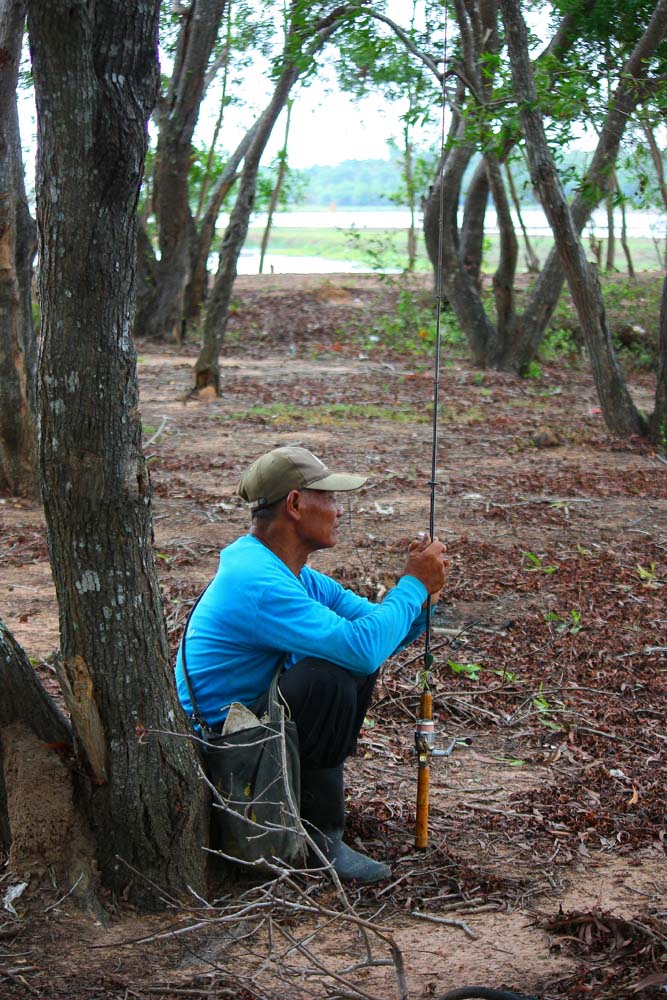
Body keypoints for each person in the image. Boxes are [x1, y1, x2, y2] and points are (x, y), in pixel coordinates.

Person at [175, 445, 447, 884]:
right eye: (331, 498)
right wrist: (412, 586)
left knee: (347, 665)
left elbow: (374, 635)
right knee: (330, 675)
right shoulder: (258, 580)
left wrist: (420, 602)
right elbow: (360, 646)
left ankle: (316, 822)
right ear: (296, 504)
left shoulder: (294, 573)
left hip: (254, 740)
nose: (340, 510)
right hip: (222, 755)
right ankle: (322, 841)